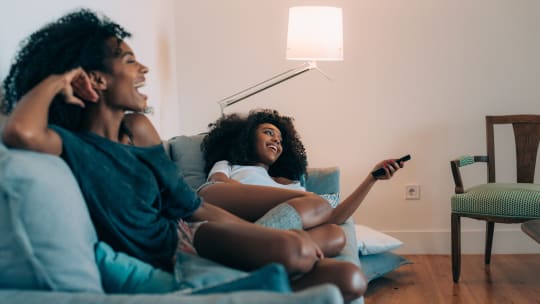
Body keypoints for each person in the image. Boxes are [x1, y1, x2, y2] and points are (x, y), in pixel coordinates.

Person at [0, 9, 365, 302]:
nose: (143, 69)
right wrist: (58, 80)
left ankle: (272, 266)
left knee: (347, 275)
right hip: (167, 257)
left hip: (189, 233)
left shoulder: (139, 129)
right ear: (96, 79)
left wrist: (258, 240)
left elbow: (192, 206)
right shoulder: (72, 144)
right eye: (129, 60)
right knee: (307, 257)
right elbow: (19, 131)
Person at [199, 109, 405, 257]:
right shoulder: (230, 165)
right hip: (231, 208)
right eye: (269, 132)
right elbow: (217, 187)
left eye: (280, 140)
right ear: (247, 136)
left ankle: (255, 248)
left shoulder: (290, 184)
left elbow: (334, 217)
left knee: (335, 234)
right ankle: (260, 245)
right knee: (315, 203)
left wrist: (371, 179)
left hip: (274, 229)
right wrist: (297, 199)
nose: (276, 142)